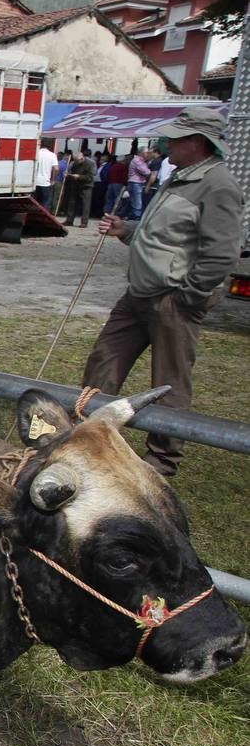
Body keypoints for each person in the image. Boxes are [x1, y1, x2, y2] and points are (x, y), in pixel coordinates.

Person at [80, 107, 243, 477]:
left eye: (176, 136)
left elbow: (221, 253)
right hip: (139, 293)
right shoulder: (177, 177)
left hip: (173, 299)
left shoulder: (218, 186)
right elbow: (160, 235)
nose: (166, 141)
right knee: (103, 361)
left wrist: (188, 294)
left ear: (198, 143)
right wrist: (126, 228)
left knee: (168, 381)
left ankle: (162, 460)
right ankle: (89, 433)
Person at [62, 148, 96, 227]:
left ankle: (84, 222)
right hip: (76, 185)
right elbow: (72, 172)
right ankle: (69, 220)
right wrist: (68, 175)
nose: (76, 162)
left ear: (82, 158)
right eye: (75, 161)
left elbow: (90, 177)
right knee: (72, 203)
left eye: (78, 161)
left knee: (85, 204)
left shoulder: (90, 164)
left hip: (86, 186)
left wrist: (79, 176)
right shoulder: (74, 163)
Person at [125, 149, 151, 219]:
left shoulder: (142, 161)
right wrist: (149, 170)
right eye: (147, 152)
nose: (148, 154)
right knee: (137, 203)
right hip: (136, 183)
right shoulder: (137, 160)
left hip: (136, 183)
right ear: (141, 153)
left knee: (133, 202)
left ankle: (128, 216)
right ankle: (136, 218)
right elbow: (146, 172)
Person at [33, 139, 57, 211]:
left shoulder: (36, 153)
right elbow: (56, 169)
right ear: (49, 146)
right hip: (45, 183)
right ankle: (42, 218)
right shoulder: (52, 155)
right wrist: (52, 180)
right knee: (45, 202)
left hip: (35, 182)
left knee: (35, 202)